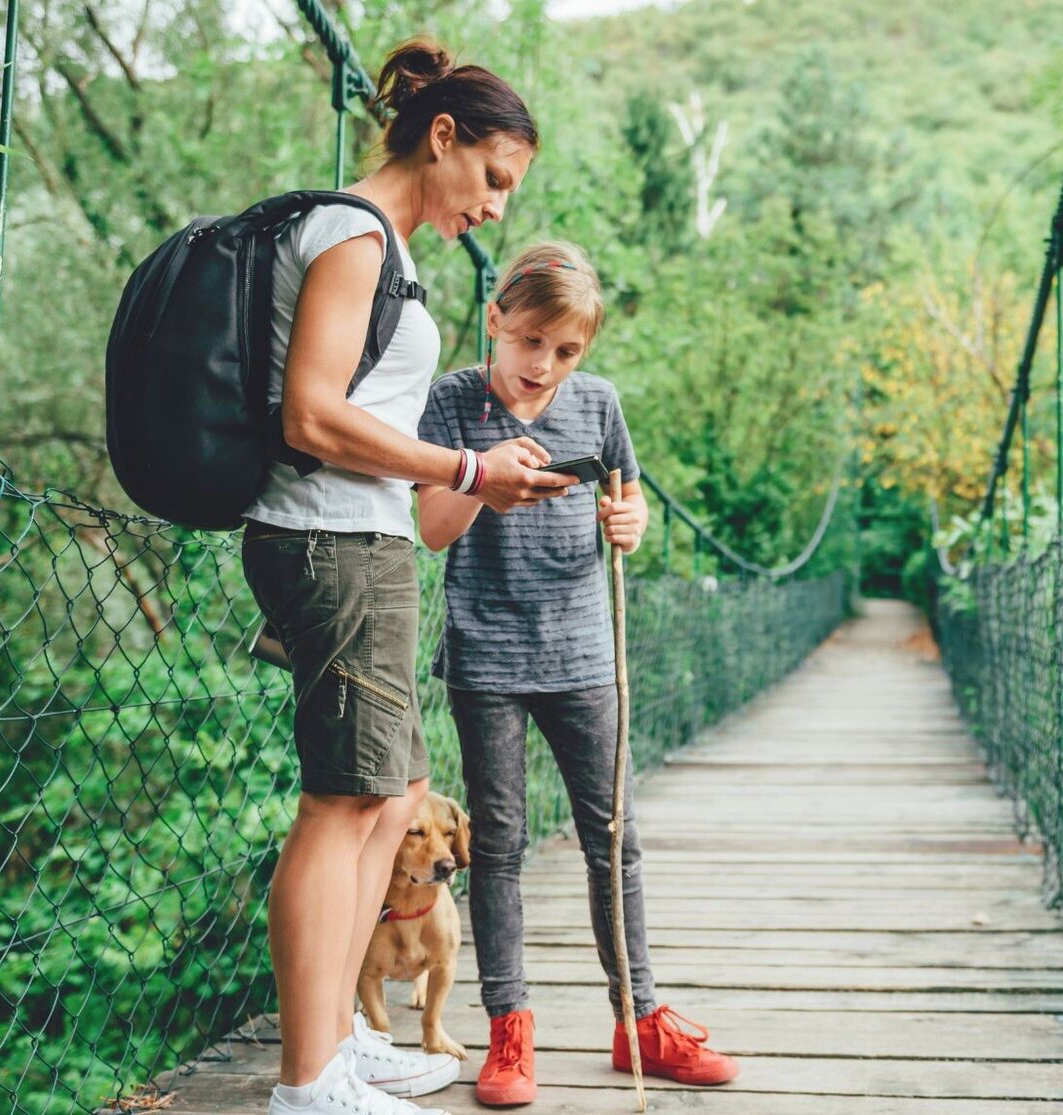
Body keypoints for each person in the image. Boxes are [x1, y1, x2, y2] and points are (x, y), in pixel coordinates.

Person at [244, 39, 578, 1115]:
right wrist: (466, 466)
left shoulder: (384, 247)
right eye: (493, 176)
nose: (495, 206)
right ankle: (309, 1080)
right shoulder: (352, 233)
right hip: (331, 540)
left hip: (370, 543)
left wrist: (467, 479)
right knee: (341, 805)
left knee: (388, 804)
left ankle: (340, 1042)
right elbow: (311, 414)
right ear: (441, 137)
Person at [415, 241, 742, 1108]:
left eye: (564, 351)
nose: (543, 364)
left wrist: (630, 521)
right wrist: (484, 479)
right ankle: (509, 1028)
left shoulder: (598, 403)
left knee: (614, 838)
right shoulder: (452, 400)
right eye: (530, 341)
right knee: (500, 842)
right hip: (488, 652)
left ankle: (639, 1019)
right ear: (495, 319)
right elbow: (433, 527)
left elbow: (627, 499)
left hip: (584, 653)